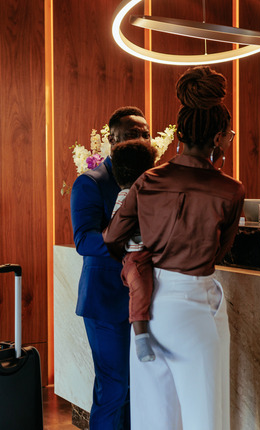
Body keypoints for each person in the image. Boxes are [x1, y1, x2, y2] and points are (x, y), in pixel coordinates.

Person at [104, 66, 245, 430]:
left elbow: (111, 236)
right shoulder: (230, 190)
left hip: (149, 306)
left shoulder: (148, 179)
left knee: (154, 416)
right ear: (218, 138)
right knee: (204, 416)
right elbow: (219, 252)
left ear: (179, 133)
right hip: (195, 305)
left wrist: (141, 256)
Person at [71, 106, 150, 430]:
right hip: (106, 302)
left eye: (145, 133)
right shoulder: (91, 182)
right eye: (133, 134)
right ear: (112, 139)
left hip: (145, 302)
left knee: (139, 389)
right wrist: (119, 234)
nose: (142, 139)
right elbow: (84, 241)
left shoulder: (153, 182)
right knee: (115, 388)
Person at [109, 139, 158, 363]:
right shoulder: (125, 195)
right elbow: (116, 229)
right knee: (140, 288)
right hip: (136, 255)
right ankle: (141, 336)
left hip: (151, 252)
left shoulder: (151, 193)